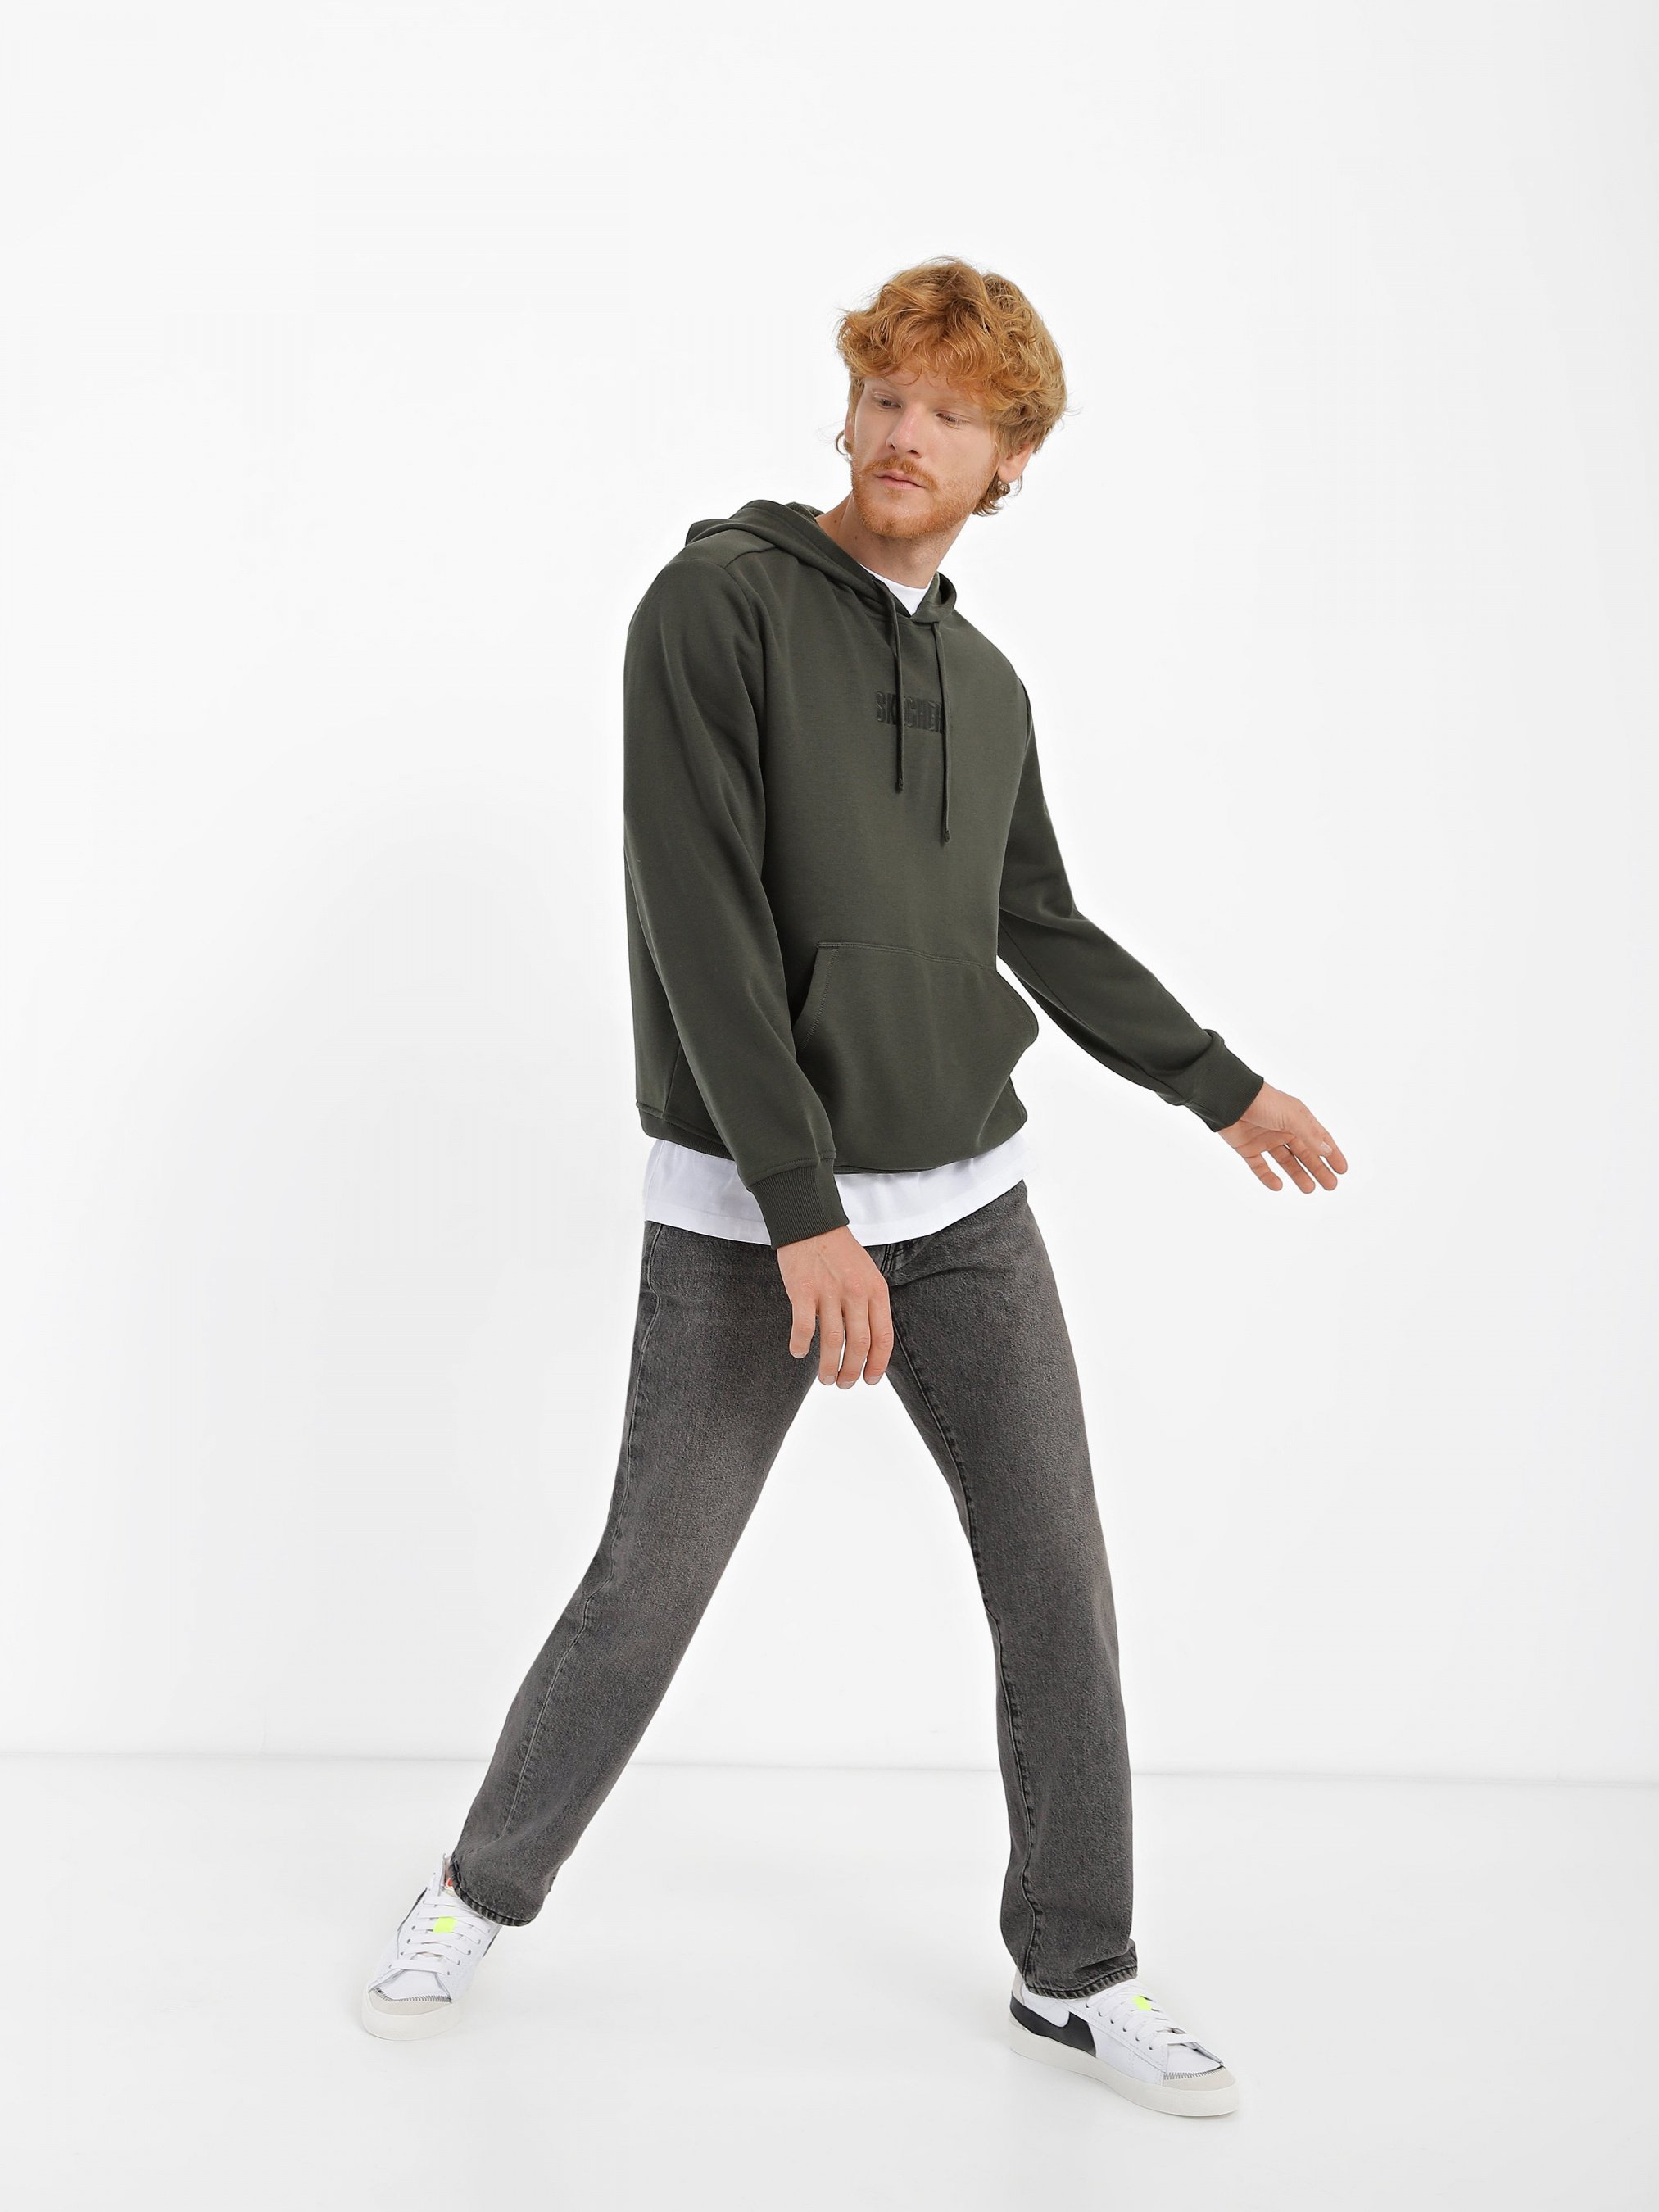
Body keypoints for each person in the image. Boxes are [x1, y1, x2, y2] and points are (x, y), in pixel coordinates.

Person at [360, 257, 1346, 2115]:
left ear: (1009, 460)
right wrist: (804, 1212)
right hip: (753, 1211)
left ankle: (1076, 1972)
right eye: (887, 395)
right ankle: (475, 1895)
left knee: (1056, 1582)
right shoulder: (713, 608)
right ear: (848, 408)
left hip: (967, 1207)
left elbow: (1037, 919)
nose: (907, 434)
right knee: (651, 1581)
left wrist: (1218, 1088)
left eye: (951, 414)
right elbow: (701, 925)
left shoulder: (984, 682)